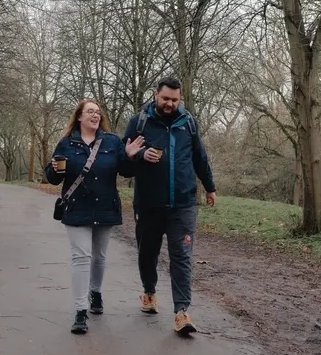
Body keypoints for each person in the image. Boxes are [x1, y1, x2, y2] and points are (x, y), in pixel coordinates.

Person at [122, 77, 217, 335]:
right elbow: (124, 162)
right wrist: (140, 154)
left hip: (183, 205)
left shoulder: (188, 123)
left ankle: (181, 312)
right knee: (147, 253)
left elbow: (200, 157)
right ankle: (149, 293)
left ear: (180, 99)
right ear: (156, 95)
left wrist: (209, 186)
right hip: (149, 204)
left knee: (182, 257)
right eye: (165, 99)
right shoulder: (139, 122)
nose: (170, 104)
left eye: (175, 100)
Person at [45, 99, 144, 335]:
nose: (95, 115)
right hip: (77, 207)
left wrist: (130, 156)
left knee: (99, 256)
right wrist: (55, 169)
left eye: (98, 112)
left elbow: (126, 171)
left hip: (105, 207)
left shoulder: (111, 141)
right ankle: (80, 311)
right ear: (79, 116)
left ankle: (96, 291)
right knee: (82, 256)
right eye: (90, 111)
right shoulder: (66, 144)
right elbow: (52, 177)